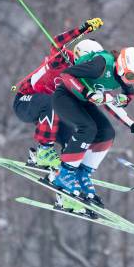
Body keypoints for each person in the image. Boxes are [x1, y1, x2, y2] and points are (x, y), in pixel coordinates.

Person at [50, 39, 134, 206]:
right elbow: (67, 74)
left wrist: (133, 125)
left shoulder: (121, 77)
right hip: (65, 97)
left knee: (107, 133)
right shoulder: (101, 64)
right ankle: (65, 174)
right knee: (88, 128)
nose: (132, 81)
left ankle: (83, 173)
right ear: (122, 65)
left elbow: (114, 101)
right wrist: (87, 93)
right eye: (132, 76)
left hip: (83, 102)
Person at [12, 17, 104, 169]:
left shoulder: (84, 80)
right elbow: (57, 42)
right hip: (25, 102)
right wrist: (82, 29)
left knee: (74, 137)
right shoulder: (63, 60)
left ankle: (63, 175)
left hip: (51, 112)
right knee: (51, 101)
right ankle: (44, 151)